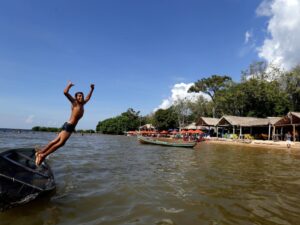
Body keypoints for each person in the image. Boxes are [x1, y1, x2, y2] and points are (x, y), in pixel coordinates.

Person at [35, 81, 95, 166]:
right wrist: (69, 85)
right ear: (76, 98)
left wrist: (92, 89)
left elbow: (88, 97)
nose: (81, 97)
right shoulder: (75, 103)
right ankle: (43, 155)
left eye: (81, 96)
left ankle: (40, 152)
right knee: (61, 143)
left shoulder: (83, 104)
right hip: (69, 125)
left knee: (55, 141)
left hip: (69, 125)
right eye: (79, 96)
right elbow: (65, 92)